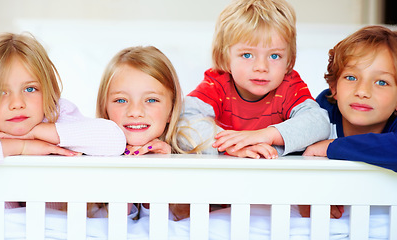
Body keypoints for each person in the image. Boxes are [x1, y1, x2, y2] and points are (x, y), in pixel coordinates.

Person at [0, 32, 126, 209]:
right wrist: (21, 147)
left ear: (47, 89)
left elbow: (114, 140)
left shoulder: (55, 113)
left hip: (54, 227)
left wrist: (36, 132)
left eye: (30, 89)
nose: (17, 104)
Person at [178, 0, 330, 158]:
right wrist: (232, 145)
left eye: (274, 56)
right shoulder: (218, 83)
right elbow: (183, 121)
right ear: (225, 58)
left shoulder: (289, 85)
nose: (261, 67)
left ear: (288, 61)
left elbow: (319, 123)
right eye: (247, 55)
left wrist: (269, 134)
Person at [300, 26, 397, 218]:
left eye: (381, 82)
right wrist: (308, 196)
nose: (362, 91)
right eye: (351, 77)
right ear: (334, 87)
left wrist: (332, 147)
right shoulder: (319, 114)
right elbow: (291, 155)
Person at [95, 45, 189, 220]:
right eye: (121, 100)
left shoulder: (193, 156)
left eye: (151, 100)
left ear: (171, 110)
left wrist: (160, 171)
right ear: (105, 107)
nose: (135, 111)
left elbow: (175, 223)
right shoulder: (87, 155)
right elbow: (112, 225)